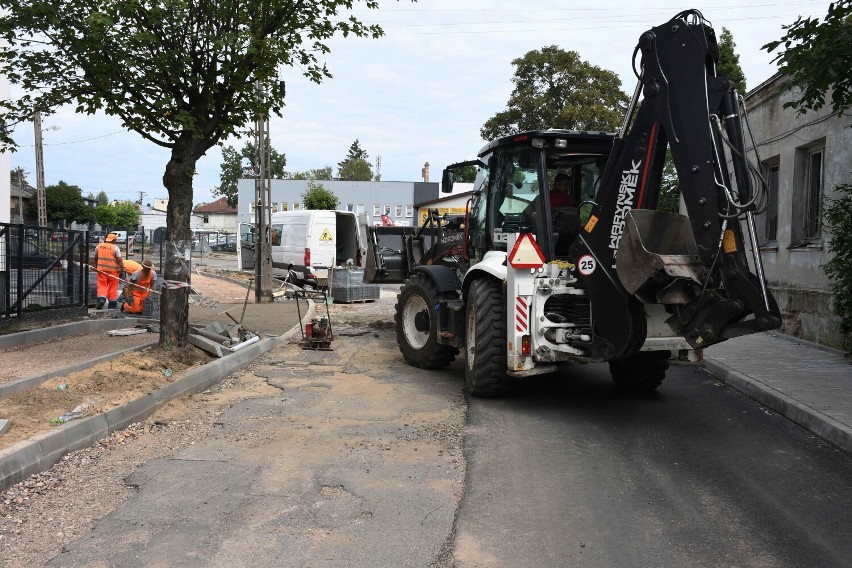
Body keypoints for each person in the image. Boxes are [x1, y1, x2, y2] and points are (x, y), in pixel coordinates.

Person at [95, 233, 125, 309]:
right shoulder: (115, 248)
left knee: (102, 285)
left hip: (101, 270)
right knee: (113, 287)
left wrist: (96, 266)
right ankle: (112, 303)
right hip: (113, 271)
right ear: (114, 240)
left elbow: (95, 258)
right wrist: (122, 269)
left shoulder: (99, 246)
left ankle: (101, 299)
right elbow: (119, 260)